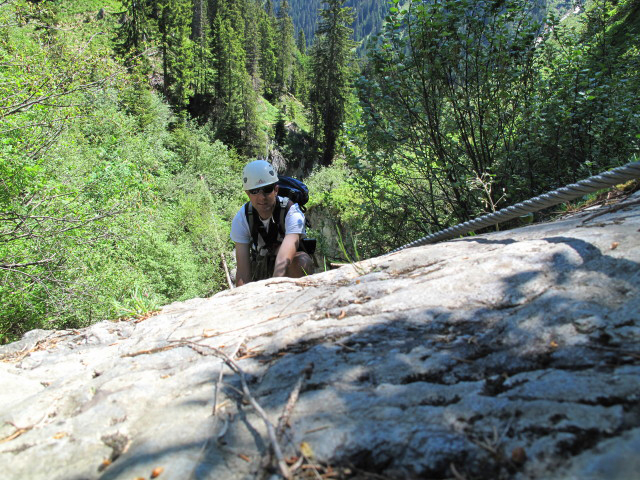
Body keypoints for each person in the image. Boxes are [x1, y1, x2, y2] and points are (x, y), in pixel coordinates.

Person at [230, 160, 314, 286]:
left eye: (267, 189)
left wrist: (272, 288)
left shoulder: (292, 213)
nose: (261, 197)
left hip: (287, 267)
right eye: (254, 191)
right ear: (247, 193)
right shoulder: (242, 218)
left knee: (301, 261)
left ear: (276, 189)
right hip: (259, 268)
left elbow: (284, 259)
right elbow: (242, 271)